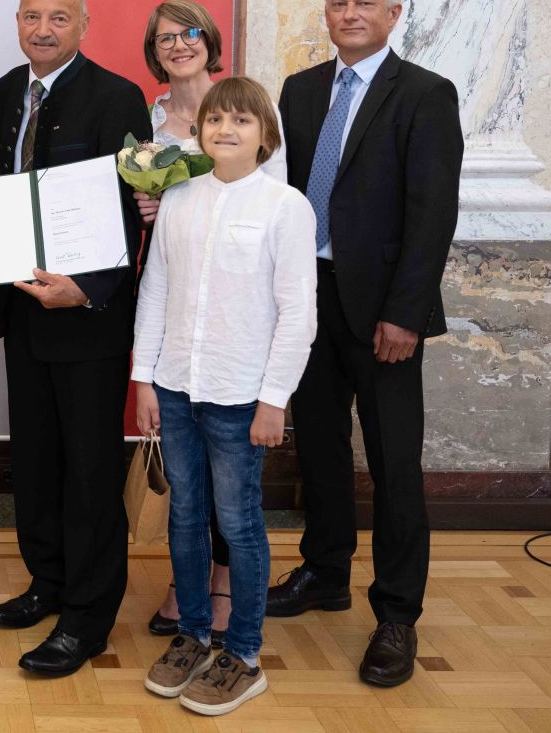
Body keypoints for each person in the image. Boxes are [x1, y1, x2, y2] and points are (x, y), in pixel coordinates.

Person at [265, 0, 462, 688]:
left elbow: (431, 213)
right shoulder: (301, 90)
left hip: (383, 313)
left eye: (364, 3)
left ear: (393, 14)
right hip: (309, 299)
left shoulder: (426, 95)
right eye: (338, 2)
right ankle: (324, 571)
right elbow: (280, 194)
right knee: (317, 449)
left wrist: (406, 312)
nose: (349, 13)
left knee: (392, 465)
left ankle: (397, 613)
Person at [133, 76, 316, 716]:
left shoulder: (285, 206)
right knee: (186, 514)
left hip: (242, 394)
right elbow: (155, 289)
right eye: (214, 120)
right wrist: (144, 378)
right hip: (178, 385)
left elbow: (298, 313)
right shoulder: (179, 198)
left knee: (239, 523)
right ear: (197, 132)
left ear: (265, 136)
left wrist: (275, 399)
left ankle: (243, 652)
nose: (225, 130)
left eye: (241, 121)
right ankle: (192, 636)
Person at [0, 0, 149, 677]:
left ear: (85, 22)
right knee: (37, 463)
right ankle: (47, 580)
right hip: (20, 312)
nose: (43, 29)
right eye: (32, 16)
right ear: (16, 21)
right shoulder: (4, 90)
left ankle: (87, 616)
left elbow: (138, 213)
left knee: (89, 472)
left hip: (88, 320)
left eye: (59, 17)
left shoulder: (118, 97)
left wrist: (86, 289)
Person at [135, 0, 286, 641]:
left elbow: (272, 206)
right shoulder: (144, 119)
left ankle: (227, 591)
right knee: (187, 480)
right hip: (171, 298)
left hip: (235, 317)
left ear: (210, 40)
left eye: (189, 32)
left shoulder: (244, 108)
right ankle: (188, 589)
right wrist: (145, 207)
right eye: (165, 37)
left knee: (230, 480)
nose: (178, 44)